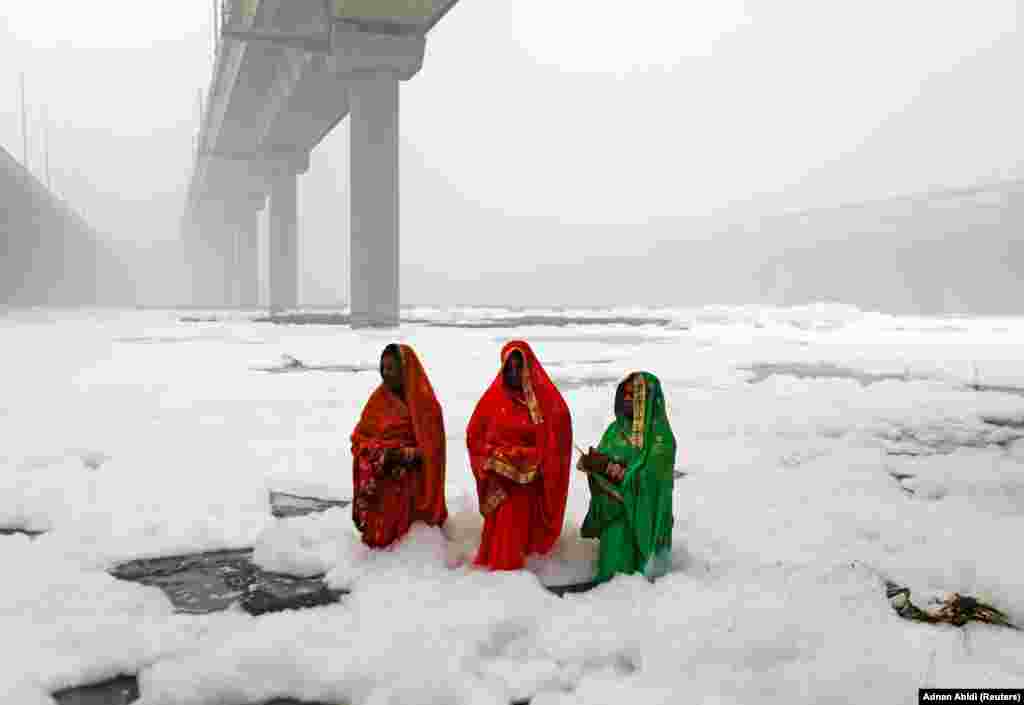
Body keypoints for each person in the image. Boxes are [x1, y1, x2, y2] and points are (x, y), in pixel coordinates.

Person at [466, 340, 572, 570]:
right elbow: (475, 435)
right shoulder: (493, 399)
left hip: (529, 481)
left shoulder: (544, 400)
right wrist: (494, 456)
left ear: (529, 368)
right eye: (509, 368)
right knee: (505, 517)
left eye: (518, 368)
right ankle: (502, 571)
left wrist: (531, 458)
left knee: (515, 518)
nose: (514, 373)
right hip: (500, 479)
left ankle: (512, 571)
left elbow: (557, 434)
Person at [578, 372, 676, 583]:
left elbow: (650, 480)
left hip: (641, 515)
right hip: (613, 510)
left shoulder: (661, 439)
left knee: (623, 571)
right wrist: (593, 463)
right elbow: (604, 461)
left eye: (636, 395)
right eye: (626, 394)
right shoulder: (615, 429)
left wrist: (611, 468)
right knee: (611, 555)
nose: (628, 400)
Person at [351, 344, 447, 547]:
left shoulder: (426, 405)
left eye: (391, 368)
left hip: (413, 475)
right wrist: (384, 452)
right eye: (383, 368)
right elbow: (360, 437)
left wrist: (408, 454)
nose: (385, 374)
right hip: (384, 469)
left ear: (405, 370)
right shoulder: (378, 400)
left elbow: (433, 450)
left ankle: (408, 544)